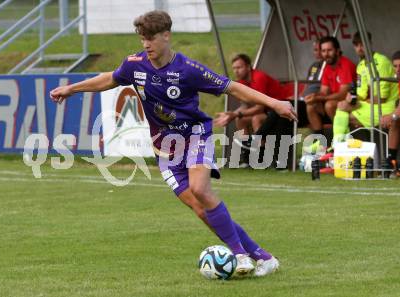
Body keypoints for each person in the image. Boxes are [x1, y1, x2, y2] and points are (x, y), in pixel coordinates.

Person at [50, 10, 296, 276]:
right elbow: (110, 78)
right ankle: (263, 257)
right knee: (201, 210)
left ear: (166, 36)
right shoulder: (135, 65)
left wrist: (274, 103)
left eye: (151, 39)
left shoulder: (188, 70)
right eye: (143, 39)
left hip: (194, 137)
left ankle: (240, 255)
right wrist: (71, 88)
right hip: (165, 150)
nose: (146, 45)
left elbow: (232, 87)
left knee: (201, 189)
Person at [214, 53, 286, 167]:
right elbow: (245, 106)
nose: (236, 71)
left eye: (239, 67)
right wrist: (234, 114)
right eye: (234, 68)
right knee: (240, 120)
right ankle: (247, 158)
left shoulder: (259, 77)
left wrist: (237, 114)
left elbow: (259, 108)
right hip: (267, 112)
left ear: (248, 67)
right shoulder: (241, 82)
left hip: (282, 111)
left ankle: (263, 158)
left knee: (256, 119)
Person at [332, 32, 399, 145]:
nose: (359, 48)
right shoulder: (361, 65)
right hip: (373, 104)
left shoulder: (381, 62)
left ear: (370, 43)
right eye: (356, 45)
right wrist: (352, 97)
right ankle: (338, 146)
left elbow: (381, 98)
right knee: (341, 106)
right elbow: (361, 93)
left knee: (347, 116)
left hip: (388, 106)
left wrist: (358, 103)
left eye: (362, 44)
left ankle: (338, 146)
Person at [304, 36, 357, 137]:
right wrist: (314, 97)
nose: (326, 54)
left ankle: (341, 138)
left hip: (351, 102)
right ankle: (319, 143)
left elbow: (343, 95)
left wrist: (319, 97)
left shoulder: (346, 64)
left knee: (329, 105)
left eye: (329, 50)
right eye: (323, 51)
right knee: (311, 106)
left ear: (337, 51)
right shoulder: (327, 67)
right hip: (335, 103)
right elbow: (324, 92)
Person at [381, 50, 400, 169]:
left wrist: (394, 116)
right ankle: (391, 160)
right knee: (394, 121)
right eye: (395, 66)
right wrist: (389, 117)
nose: (398, 69)